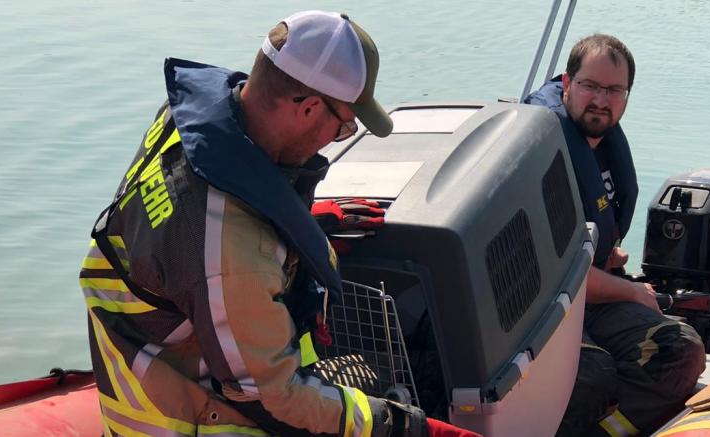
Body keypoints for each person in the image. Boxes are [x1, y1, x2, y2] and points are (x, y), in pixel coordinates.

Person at [80, 10, 474, 437]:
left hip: (145, 347)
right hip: (185, 416)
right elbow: (277, 395)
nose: (335, 138)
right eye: (343, 127)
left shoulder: (186, 122)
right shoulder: (229, 249)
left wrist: (290, 229)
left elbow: (191, 236)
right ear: (306, 108)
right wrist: (397, 424)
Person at [524, 34, 706, 436]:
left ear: (627, 96)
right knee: (590, 374)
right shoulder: (541, 152)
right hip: (542, 306)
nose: (600, 101)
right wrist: (630, 291)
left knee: (680, 350)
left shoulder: (601, 145)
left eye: (613, 90)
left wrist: (610, 257)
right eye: (590, 86)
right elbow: (553, 274)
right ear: (567, 83)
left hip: (593, 294)